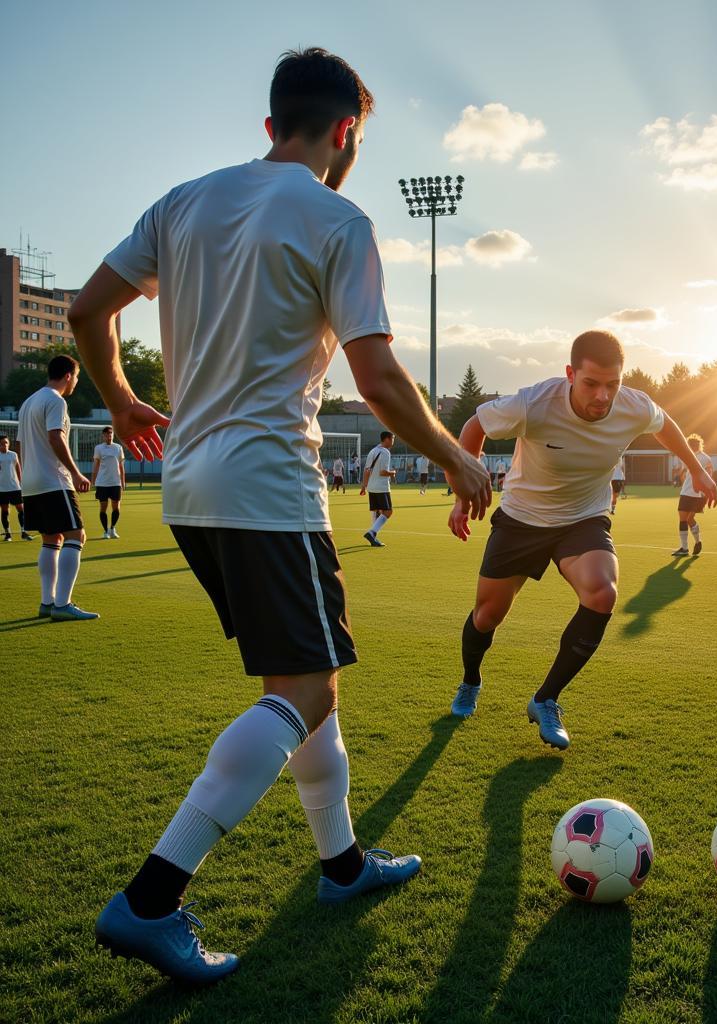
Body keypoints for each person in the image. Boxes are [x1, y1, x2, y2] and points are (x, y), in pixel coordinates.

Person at [69, 47, 490, 984]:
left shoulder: (181, 202)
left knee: (304, 681)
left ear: (271, 125)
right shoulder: (339, 216)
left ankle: (340, 864)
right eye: (360, 140)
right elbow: (377, 378)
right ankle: (151, 899)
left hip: (189, 489)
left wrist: (122, 397)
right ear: (346, 133)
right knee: (304, 693)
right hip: (268, 484)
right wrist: (459, 455)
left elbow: (88, 310)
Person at [446, 330, 717, 749]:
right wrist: (463, 492)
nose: (603, 396)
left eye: (613, 384)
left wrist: (695, 468)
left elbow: (666, 426)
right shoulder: (533, 403)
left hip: (583, 518)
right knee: (487, 615)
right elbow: (475, 424)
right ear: (570, 374)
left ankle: (547, 698)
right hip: (522, 518)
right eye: (591, 383)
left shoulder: (634, 406)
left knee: (602, 594)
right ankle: (470, 681)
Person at [16, 356, 97, 619]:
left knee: (52, 539)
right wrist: (75, 473)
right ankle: (62, 605)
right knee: (76, 536)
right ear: (67, 376)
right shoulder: (56, 400)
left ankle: (47, 602)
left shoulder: (28, 402)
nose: (75, 383)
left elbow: (20, 446)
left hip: (31, 482)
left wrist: (27, 476)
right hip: (54, 480)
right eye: (76, 378)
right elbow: (55, 436)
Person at [673, 434, 714, 556]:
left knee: (683, 519)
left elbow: (683, 473)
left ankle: (684, 548)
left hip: (688, 492)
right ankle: (697, 541)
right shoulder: (707, 458)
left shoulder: (688, 456)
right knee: (690, 518)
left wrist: (680, 478)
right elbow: (710, 475)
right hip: (701, 494)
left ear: (689, 446)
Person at [360, 431, 396, 545]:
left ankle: (373, 537)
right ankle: (372, 533)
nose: (393, 441)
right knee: (388, 511)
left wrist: (364, 486)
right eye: (392, 439)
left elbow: (366, 470)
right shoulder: (385, 452)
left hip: (372, 486)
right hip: (382, 487)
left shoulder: (372, 451)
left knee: (377, 511)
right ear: (387, 439)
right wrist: (392, 473)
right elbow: (383, 472)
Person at [91, 425, 126, 538]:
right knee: (103, 507)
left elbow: (121, 466)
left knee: (116, 507)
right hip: (102, 483)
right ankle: (105, 531)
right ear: (103, 436)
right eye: (106, 434)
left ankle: (112, 528)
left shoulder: (118, 448)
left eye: (110, 434)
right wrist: (93, 481)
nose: (109, 436)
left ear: (113, 435)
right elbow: (95, 466)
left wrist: (123, 482)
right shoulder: (99, 448)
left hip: (115, 482)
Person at [0, 434, 34, 541]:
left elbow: (18, 469)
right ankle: (8, 534)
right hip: (2, 489)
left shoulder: (13, 455)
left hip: (15, 487)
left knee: (21, 509)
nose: (4, 445)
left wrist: (21, 482)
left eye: (5, 443)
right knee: (5, 511)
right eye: (1, 444)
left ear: (8, 443)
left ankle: (24, 532)